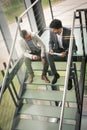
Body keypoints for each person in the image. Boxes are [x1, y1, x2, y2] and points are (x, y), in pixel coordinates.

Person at [47, 19, 77, 90]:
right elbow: (50, 42)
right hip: (58, 49)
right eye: (52, 30)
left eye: (54, 30)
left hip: (68, 49)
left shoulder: (69, 32)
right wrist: (51, 49)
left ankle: (69, 79)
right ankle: (56, 75)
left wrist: (66, 52)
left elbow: (73, 46)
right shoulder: (52, 32)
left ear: (59, 28)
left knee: (69, 58)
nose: (53, 31)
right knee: (48, 55)